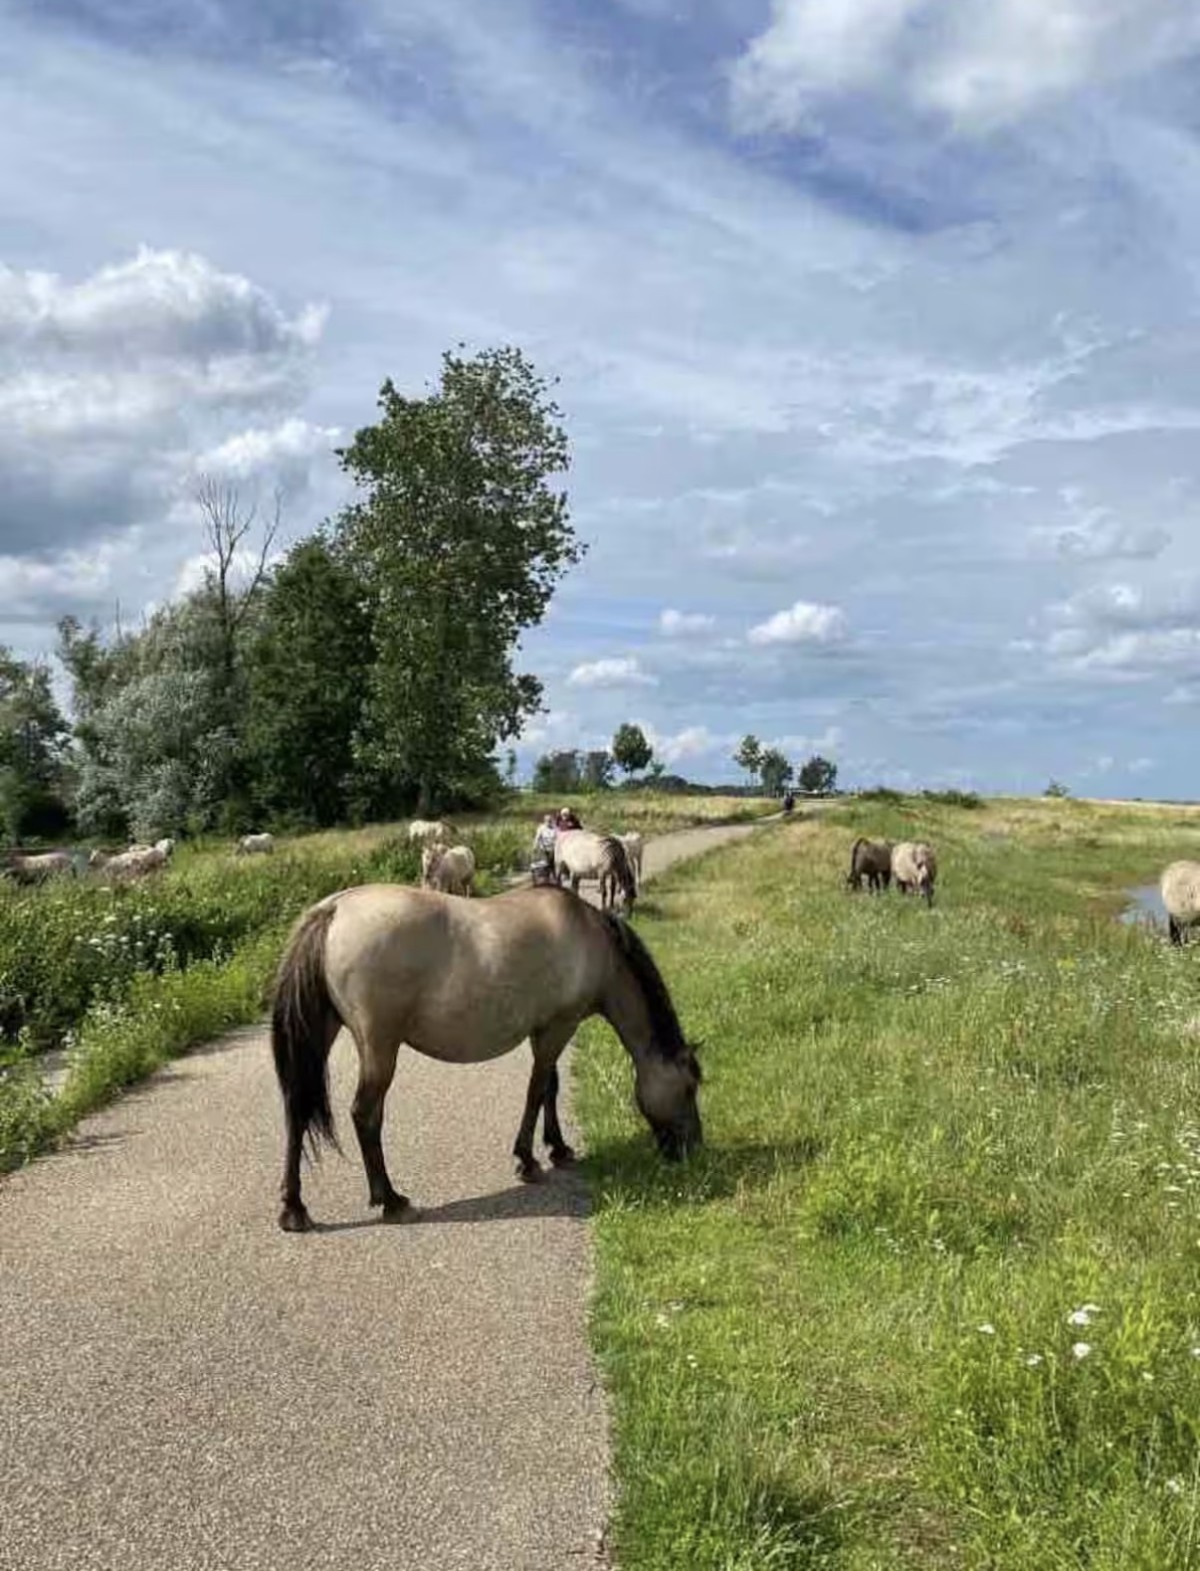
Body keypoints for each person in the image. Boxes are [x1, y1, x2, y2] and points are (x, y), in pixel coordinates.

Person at [531, 813, 558, 885]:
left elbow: (557, 838)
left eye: (550, 821)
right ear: (544, 821)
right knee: (546, 864)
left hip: (553, 848)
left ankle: (555, 878)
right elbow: (537, 838)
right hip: (544, 848)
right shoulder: (541, 828)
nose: (548, 822)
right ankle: (547, 878)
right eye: (547, 821)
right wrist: (535, 846)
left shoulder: (554, 828)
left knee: (553, 863)